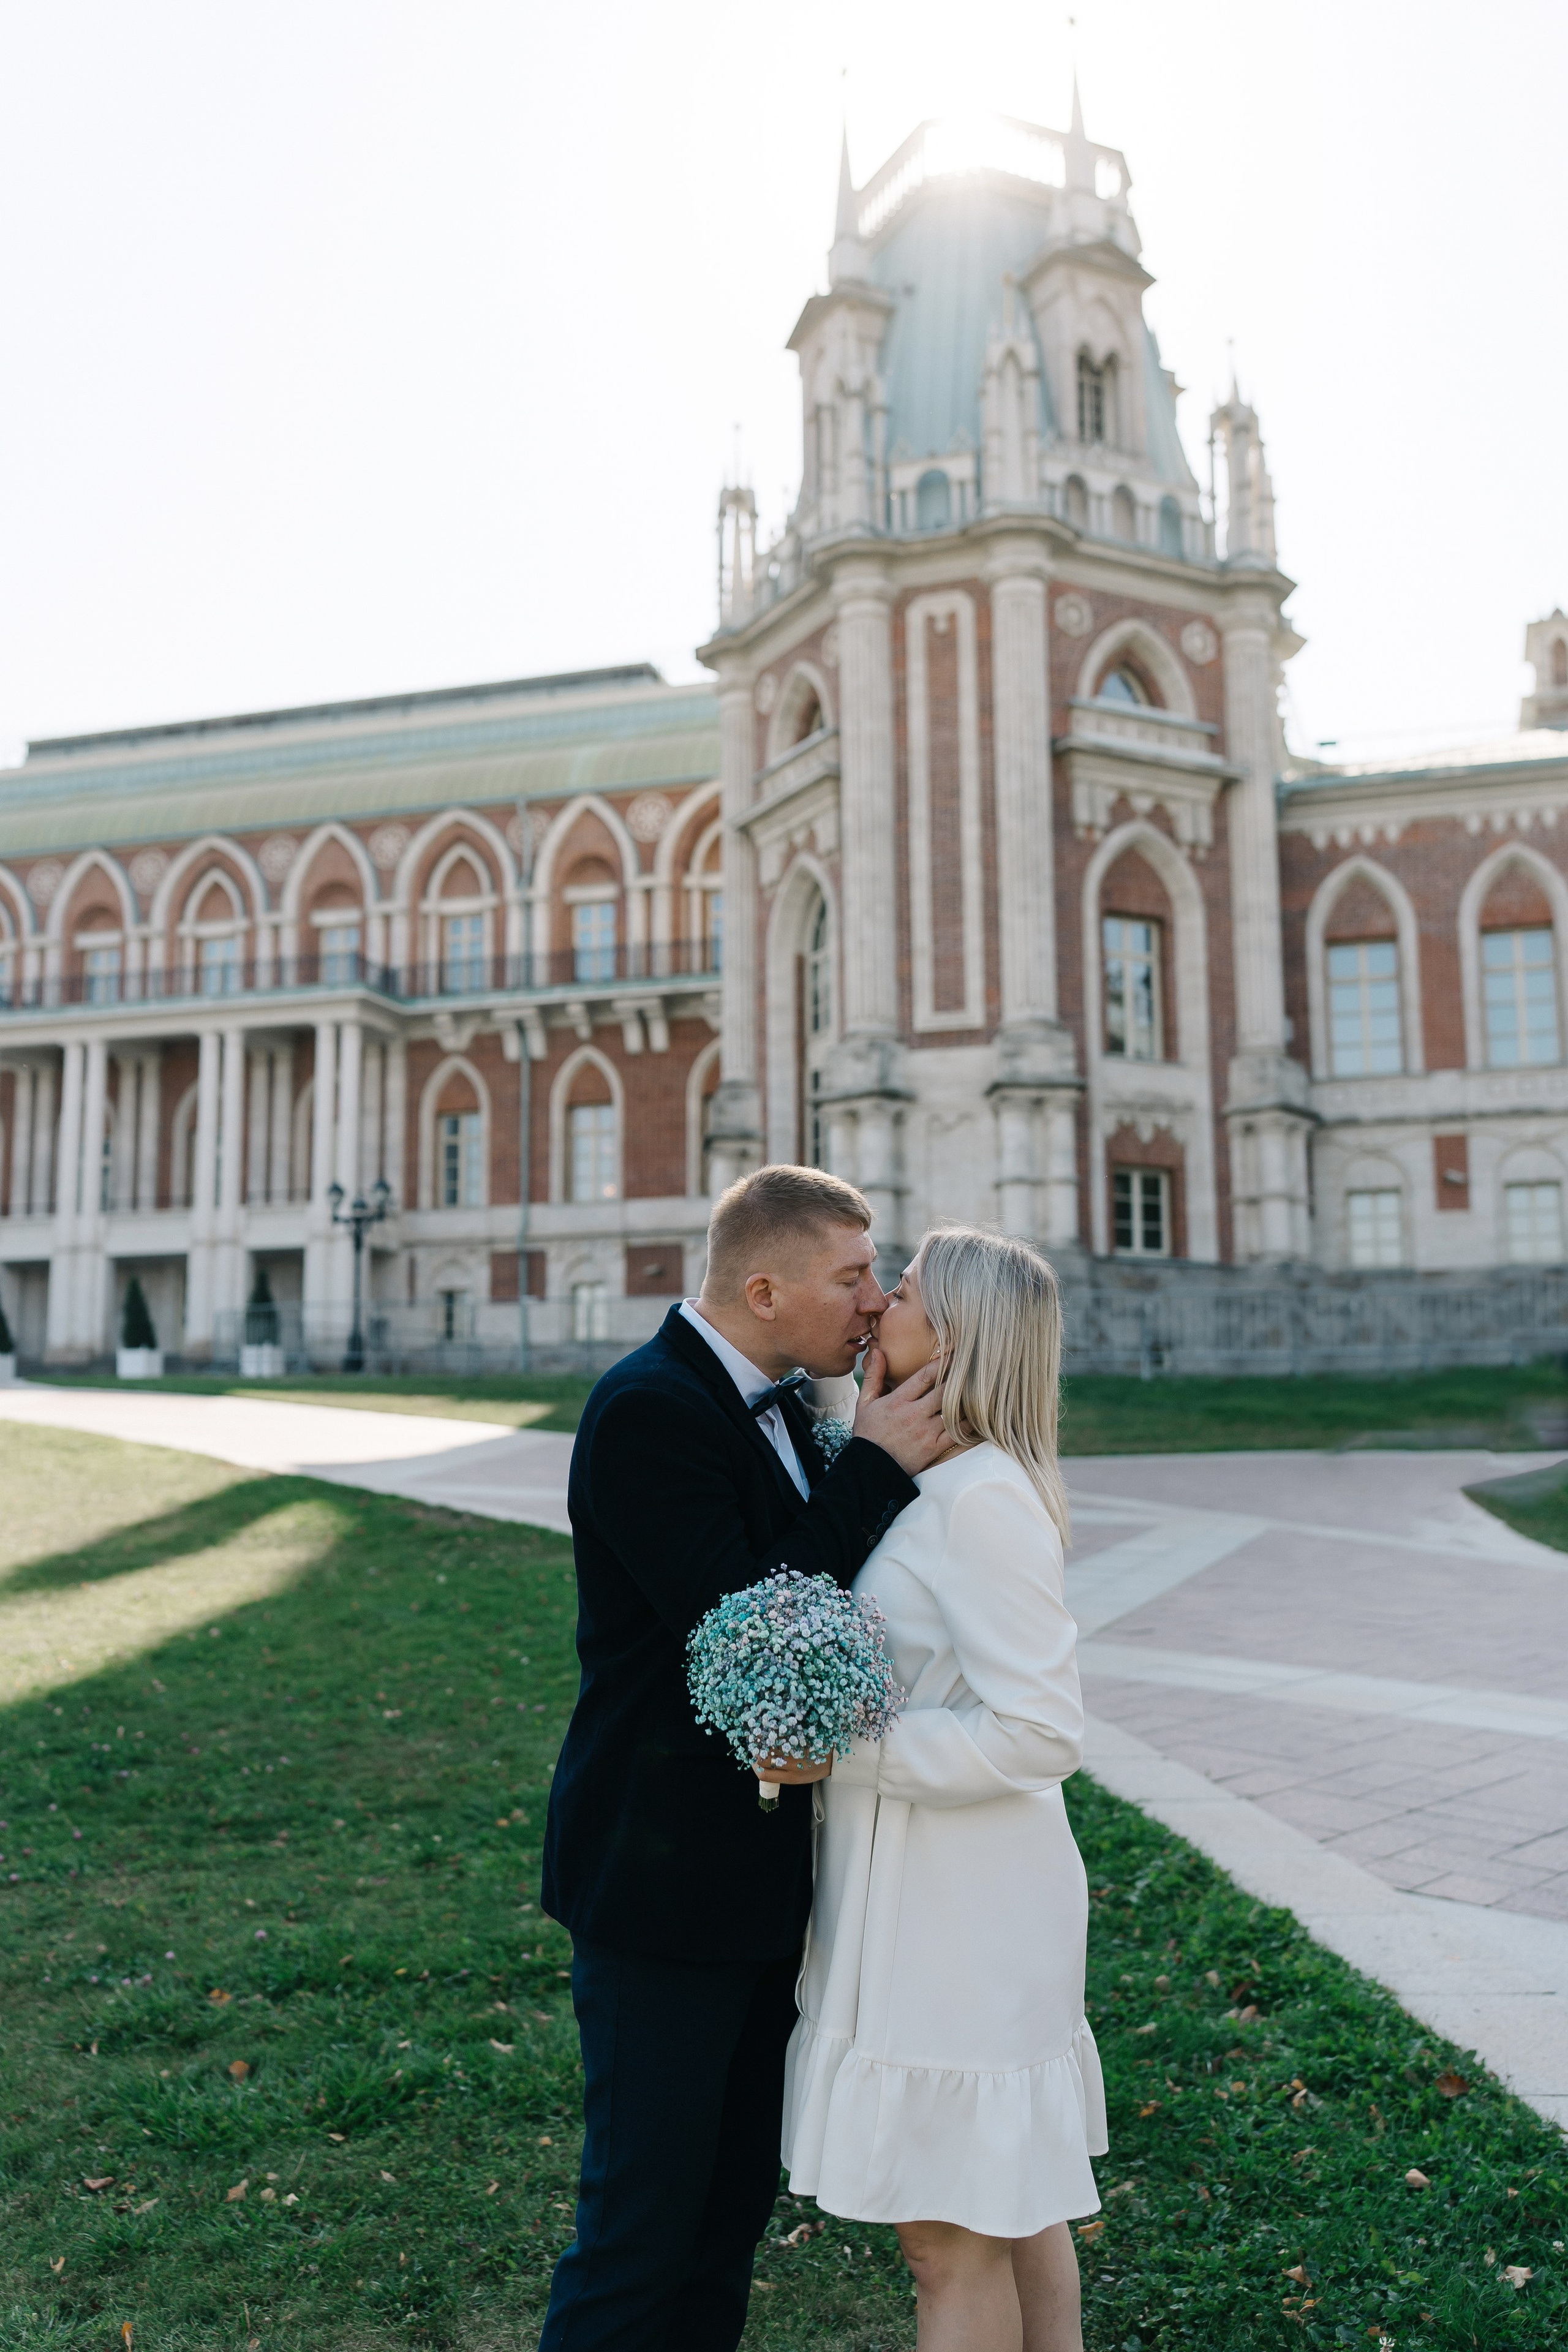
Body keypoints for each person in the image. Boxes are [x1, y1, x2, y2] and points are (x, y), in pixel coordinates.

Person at [538, 1163, 950, 2351]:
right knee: (638, 2231)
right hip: (659, 1883)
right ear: (763, 1290)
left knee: (722, 2220)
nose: (872, 1301)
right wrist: (871, 1464)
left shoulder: (787, 1401)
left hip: (758, 1885)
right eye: (851, 1276)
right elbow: (750, 1627)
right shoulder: (648, 1409)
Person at [782, 1225, 1106, 2352]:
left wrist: (844, 1751)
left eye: (904, 1292)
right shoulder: (939, 1479)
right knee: (1010, 2206)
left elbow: (1040, 1731)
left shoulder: (983, 1500)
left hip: (964, 1913)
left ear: (957, 1333)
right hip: (922, 1892)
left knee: (950, 2241)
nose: (878, 1308)